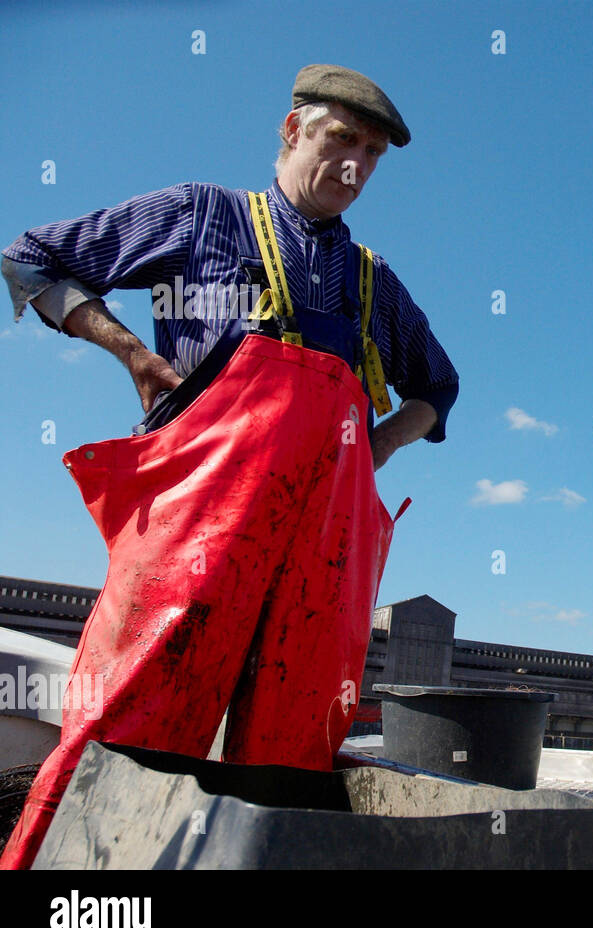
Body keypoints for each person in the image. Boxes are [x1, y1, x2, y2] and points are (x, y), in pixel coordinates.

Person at [0, 64, 459, 869]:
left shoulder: (374, 284)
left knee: (295, 745)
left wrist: (376, 448)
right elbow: (30, 258)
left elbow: (438, 386)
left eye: (375, 153)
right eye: (341, 139)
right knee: (128, 723)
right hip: (194, 531)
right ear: (291, 131)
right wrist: (132, 352)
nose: (356, 166)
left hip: (321, 556)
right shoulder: (199, 216)